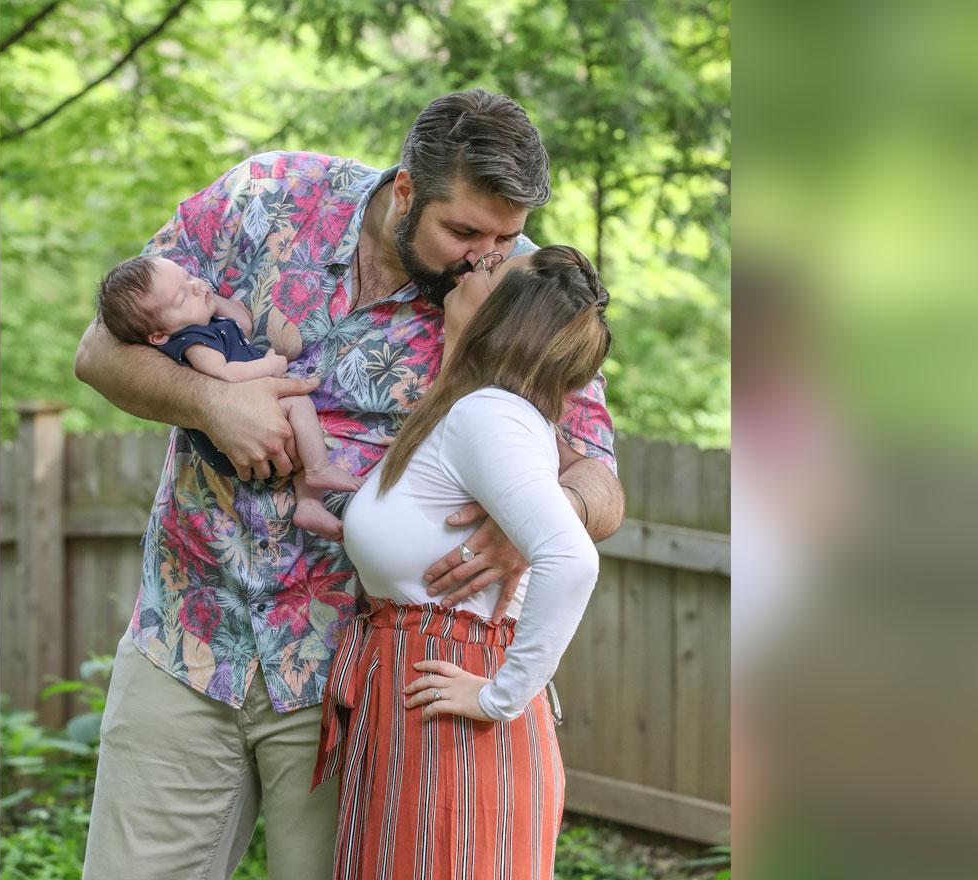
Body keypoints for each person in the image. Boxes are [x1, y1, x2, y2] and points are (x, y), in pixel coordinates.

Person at [73, 89, 625, 880]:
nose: (483, 254)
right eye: (463, 230)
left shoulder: (512, 292)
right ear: (405, 189)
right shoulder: (265, 196)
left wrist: (537, 518)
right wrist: (211, 402)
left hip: (352, 682)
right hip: (186, 640)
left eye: (503, 235)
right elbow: (99, 352)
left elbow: (599, 480)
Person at [313, 246, 611, 879]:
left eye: (494, 268)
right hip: (414, 704)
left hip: (451, 718)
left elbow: (571, 559)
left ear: (507, 317)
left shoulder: (489, 416)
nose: (479, 259)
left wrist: (500, 698)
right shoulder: (468, 410)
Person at [95, 253, 363, 539]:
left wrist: (204, 296)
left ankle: (309, 504)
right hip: (233, 434)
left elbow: (243, 323)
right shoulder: (191, 343)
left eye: (188, 277)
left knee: (296, 447)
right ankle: (319, 467)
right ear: (159, 335)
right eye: (182, 298)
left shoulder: (205, 323)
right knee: (299, 404)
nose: (196, 286)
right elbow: (225, 374)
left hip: (255, 417)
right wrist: (269, 366)